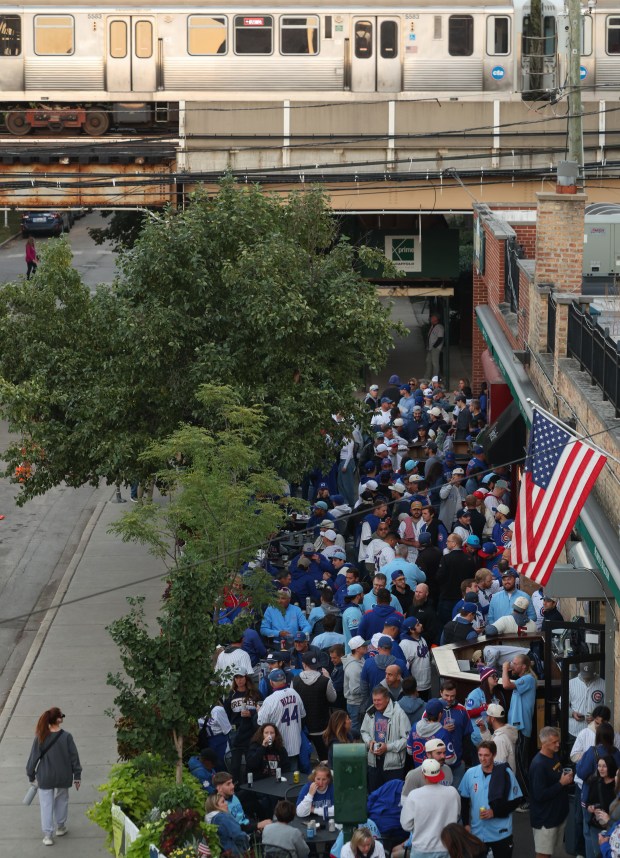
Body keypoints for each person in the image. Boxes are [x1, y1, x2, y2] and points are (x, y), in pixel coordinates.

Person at [26, 707, 81, 846]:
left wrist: (31, 775)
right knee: (62, 799)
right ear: (59, 719)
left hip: (45, 776)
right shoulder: (67, 736)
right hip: (64, 775)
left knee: (46, 804)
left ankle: (48, 835)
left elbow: (33, 759)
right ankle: (61, 827)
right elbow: (74, 757)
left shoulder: (40, 736)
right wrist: (77, 776)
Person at [458, 740, 522, 858]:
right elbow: (464, 800)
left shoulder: (505, 773)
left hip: (501, 834)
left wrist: (494, 812)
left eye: (486, 755)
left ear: (494, 754)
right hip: (477, 834)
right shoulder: (470, 773)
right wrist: (466, 824)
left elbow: (516, 801)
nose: (483, 759)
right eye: (480, 755)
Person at [400, 758, 461, 858]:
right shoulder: (453, 792)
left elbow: (406, 825)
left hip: (422, 848)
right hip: (447, 847)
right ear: (440, 774)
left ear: (423, 775)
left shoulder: (414, 795)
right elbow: (457, 815)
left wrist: (420, 827)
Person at [529, 726, 573, 858]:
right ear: (544, 743)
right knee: (544, 854)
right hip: (545, 820)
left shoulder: (553, 756)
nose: (558, 744)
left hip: (557, 816)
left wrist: (565, 778)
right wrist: (561, 783)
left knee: (553, 852)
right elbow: (539, 795)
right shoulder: (538, 765)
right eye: (554, 742)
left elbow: (555, 777)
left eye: (558, 741)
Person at [361, 685, 410, 791]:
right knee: (374, 794)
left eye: (379, 700)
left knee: (392, 796)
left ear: (387, 699)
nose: (376, 703)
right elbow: (364, 731)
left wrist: (388, 747)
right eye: (374, 700)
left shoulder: (399, 714)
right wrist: (369, 742)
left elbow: (407, 739)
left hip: (393, 766)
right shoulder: (370, 712)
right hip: (373, 762)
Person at [292, 650, 336, 760]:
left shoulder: (295, 680)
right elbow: (332, 698)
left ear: (303, 664)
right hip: (322, 726)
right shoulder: (325, 680)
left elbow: (294, 702)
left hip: (303, 726)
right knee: (325, 759)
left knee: (303, 760)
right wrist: (329, 678)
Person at [257, 670, 306, 768]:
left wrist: (259, 711)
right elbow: (303, 715)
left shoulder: (270, 700)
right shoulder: (295, 693)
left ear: (271, 682)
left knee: (280, 777)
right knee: (294, 775)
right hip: (295, 743)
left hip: (278, 746)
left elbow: (261, 723)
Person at [225, 672, 261, 784]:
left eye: (241, 677)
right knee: (235, 764)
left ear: (246, 678)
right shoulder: (231, 694)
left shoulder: (255, 693)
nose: (239, 680)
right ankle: (236, 786)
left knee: (251, 762)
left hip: (251, 731)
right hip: (236, 731)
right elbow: (226, 714)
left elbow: (263, 710)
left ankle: (250, 785)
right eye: (236, 677)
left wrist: (251, 713)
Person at [585, 755, 618, 858]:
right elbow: (588, 802)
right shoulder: (595, 782)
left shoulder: (616, 785)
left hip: (612, 828)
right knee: (597, 853)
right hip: (596, 826)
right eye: (599, 766)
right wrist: (589, 808)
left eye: (604, 766)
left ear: (610, 767)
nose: (601, 769)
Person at [426, 313, 444, 379]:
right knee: (428, 361)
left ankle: (435, 378)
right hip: (431, 348)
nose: (431, 319)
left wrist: (434, 346)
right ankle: (427, 377)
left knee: (435, 363)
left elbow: (440, 338)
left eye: (432, 318)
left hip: (435, 348)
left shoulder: (439, 327)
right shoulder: (432, 326)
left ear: (436, 319)